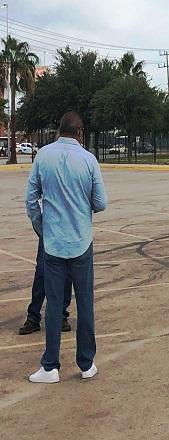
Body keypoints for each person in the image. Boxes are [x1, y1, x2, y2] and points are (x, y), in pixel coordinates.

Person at [25, 112, 107, 384]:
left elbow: (30, 200)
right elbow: (101, 202)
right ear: (80, 132)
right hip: (81, 241)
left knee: (54, 303)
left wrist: (42, 227)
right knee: (85, 303)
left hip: (54, 243)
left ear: (59, 130)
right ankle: (86, 363)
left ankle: (50, 366)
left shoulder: (43, 156)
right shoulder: (88, 160)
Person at [18, 231, 73, 335]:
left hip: (69, 233)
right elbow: (34, 215)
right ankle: (33, 317)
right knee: (41, 272)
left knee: (66, 274)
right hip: (49, 231)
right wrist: (42, 231)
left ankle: (61, 315)